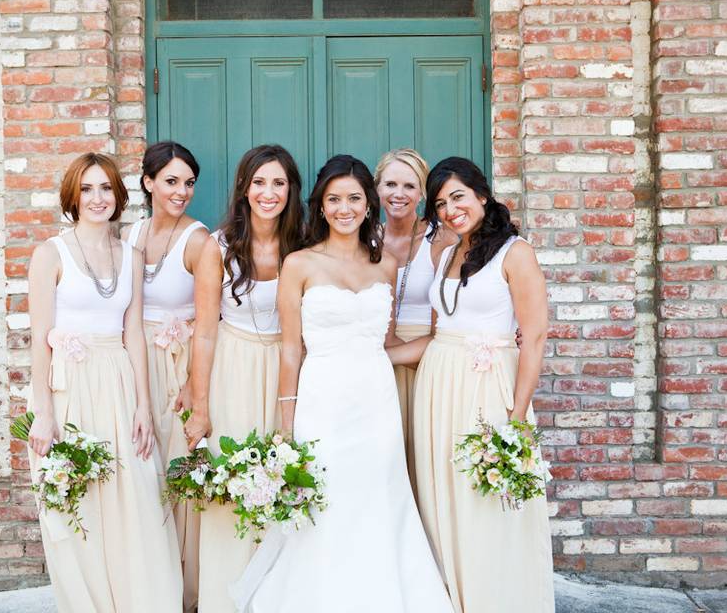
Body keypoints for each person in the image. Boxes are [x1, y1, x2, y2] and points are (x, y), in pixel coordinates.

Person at [232, 155, 454, 613]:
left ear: (368, 204)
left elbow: (387, 342)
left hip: (376, 399)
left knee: (377, 498)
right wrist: (287, 423)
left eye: (354, 198)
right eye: (334, 199)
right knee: (327, 500)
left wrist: (453, 341)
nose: (344, 208)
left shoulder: (386, 265)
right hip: (322, 399)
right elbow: (292, 350)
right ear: (321, 205)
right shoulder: (299, 264)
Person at [393, 157, 554, 613]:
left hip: (487, 388)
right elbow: (437, 334)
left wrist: (517, 418)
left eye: (458, 196)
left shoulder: (515, 252)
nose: (449, 209)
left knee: (482, 503)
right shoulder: (445, 254)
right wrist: (371, 356)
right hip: (437, 388)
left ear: (482, 195)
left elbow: (535, 335)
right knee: (440, 499)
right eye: (440, 203)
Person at [26, 152, 182, 612]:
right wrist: (43, 413)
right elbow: (39, 339)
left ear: (119, 195)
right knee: (81, 500)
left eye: (106, 188)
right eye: (87, 189)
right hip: (69, 384)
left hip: (117, 379)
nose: (98, 198)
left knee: (132, 499)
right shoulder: (49, 254)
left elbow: (133, 332)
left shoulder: (130, 256)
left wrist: (142, 406)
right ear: (72, 196)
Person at [183, 144, 305, 613]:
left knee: (283, 477)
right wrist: (201, 403)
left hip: (288, 370)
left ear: (291, 190)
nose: (268, 192)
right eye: (259, 182)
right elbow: (206, 332)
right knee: (233, 480)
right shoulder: (219, 246)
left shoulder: (305, 242)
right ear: (244, 188)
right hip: (233, 367)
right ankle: (223, 598)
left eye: (278, 183)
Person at [121, 141, 208, 612]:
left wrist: (196, 384)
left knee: (177, 474)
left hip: (178, 365)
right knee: (140, 472)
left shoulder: (199, 241)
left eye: (189, 182)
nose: (181, 191)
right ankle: (145, 586)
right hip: (135, 363)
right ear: (149, 182)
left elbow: (208, 322)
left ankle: (182, 592)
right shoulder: (129, 235)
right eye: (171, 181)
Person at [374, 148, 455, 492]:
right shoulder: (365, 239)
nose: (398, 194)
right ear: (376, 188)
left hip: (427, 356)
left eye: (409, 186)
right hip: (377, 360)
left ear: (423, 193)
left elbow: (448, 322)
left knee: (424, 459)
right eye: (390, 183)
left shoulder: (441, 239)